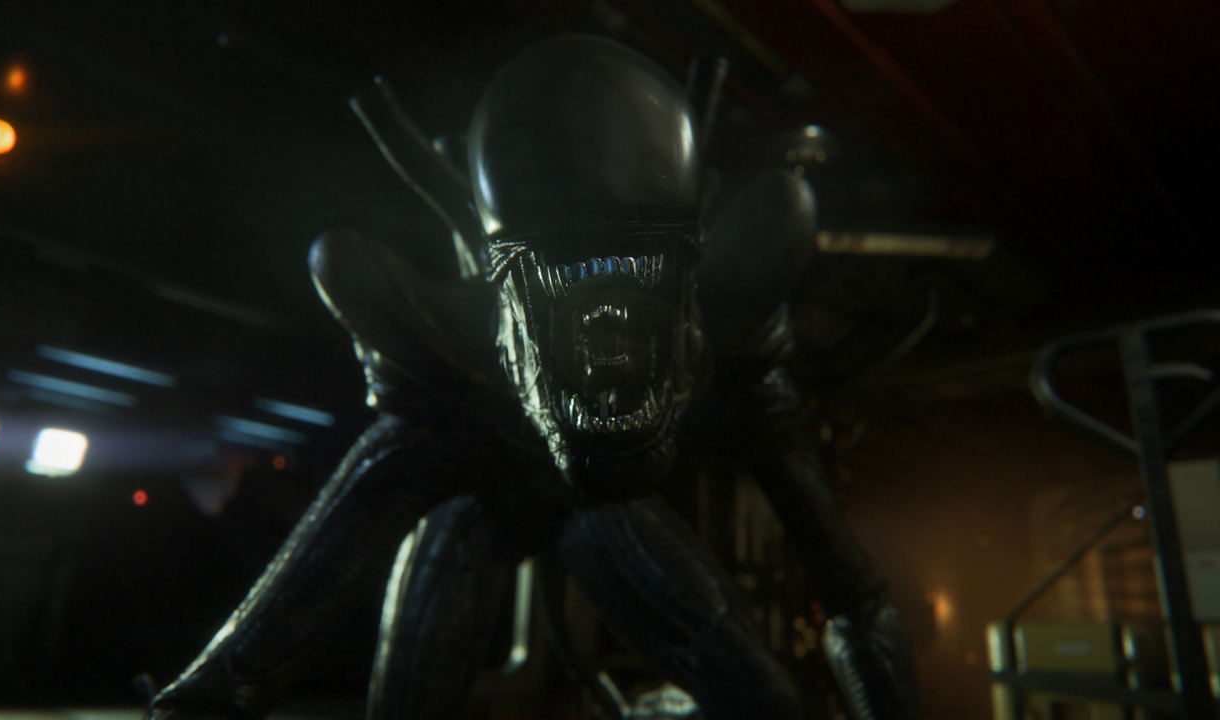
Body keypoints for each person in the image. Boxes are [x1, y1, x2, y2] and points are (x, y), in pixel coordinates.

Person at [148, 34, 921, 720]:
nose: (609, 346)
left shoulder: (457, 360)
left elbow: (228, 681)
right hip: (488, 488)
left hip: (542, 476)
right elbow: (856, 596)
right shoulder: (451, 366)